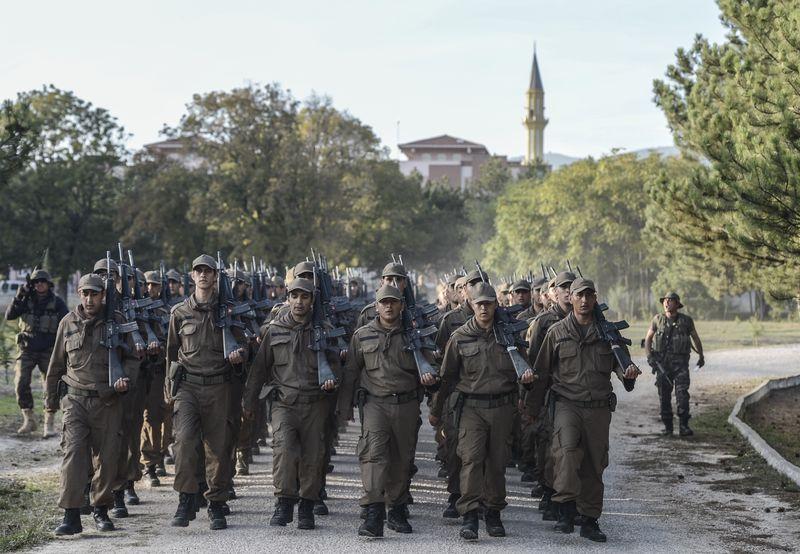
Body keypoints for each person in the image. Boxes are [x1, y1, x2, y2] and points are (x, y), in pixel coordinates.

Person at [528, 278, 640, 542]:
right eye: (579, 295)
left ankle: (589, 519)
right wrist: (532, 408)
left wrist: (629, 374)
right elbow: (542, 372)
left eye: (589, 295)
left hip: (598, 408)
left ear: (595, 298)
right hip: (567, 404)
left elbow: (623, 368)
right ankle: (565, 510)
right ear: (572, 298)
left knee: (594, 461)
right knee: (566, 453)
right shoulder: (556, 332)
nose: (584, 300)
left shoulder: (608, 333)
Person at [429, 282, 535, 541]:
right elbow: (447, 378)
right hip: (471, 409)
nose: (484, 308)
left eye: (488, 303)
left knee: (497, 463)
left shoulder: (509, 335)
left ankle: (493, 513)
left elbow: (525, 370)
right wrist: (437, 410)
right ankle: (469, 514)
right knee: (471, 460)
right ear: (471, 305)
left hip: (502, 408)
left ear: (496, 305)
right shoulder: (460, 337)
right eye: (479, 304)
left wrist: (526, 389)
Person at [243, 278, 345, 531]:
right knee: (284, 450)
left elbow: (337, 367)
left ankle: (307, 506)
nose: (299, 302)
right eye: (295, 296)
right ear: (287, 298)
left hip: (316, 403)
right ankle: (284, 502)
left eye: (305, 297)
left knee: (313, 455)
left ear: (312, 301)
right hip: (284, 403)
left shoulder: (325, 330)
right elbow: (259, 369)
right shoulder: (275, 330)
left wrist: (333, 383)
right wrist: (249, 402)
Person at [45, 273, 136, 535]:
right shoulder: (68, 322)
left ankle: (101, 509)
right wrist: (50, 401)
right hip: (75, 400)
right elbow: (56, 364)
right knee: (73, 455)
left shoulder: (117, 321)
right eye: (85, 293)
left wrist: (125, 379)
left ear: (103, 295)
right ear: (79, 293)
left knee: (106, 459)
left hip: (108, 401)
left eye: (94, 294)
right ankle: (71, 514)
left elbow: (132, 358)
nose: (89, 299)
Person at [345, 284, 437, 537]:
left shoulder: (415, 336)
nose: (388, 306)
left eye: (393, 301)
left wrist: (431, 380)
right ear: (376, 306)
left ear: (401, 305)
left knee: (402, 458)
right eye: (384, 302)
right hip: (375, 403)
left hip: (406, 404)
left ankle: (396, 509)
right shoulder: (362, 335)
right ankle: (374, 513)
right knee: (373, 455)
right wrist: (344, 408)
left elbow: (434, 368)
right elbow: (351, 372)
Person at [166, 254, 246, 530]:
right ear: (192, 276)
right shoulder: (179, 313)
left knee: (218, 448)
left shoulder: (230, 312)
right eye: (198, 270)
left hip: (218, 386)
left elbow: (244, 348)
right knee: (184, 442)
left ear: (215, 277)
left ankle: (216, 502)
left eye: (208, 271)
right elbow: (171, 353)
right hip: (187, 387)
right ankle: (186, 498)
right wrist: (169, 389)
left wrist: (238, 356)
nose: (203, 275)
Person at [521, 270, 574, 518]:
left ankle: (569, 497)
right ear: (554, 293)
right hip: (547, 392)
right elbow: (533, 362)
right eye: (563, 287)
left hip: (574, 396)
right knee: (547, 444)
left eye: (571, 287)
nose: (568, 291)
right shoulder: (543, 322)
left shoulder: (587, 319)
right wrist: (529, 399)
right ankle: (549, 490)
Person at [5, 269, 68, 437]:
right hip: (27, 348)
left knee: (51, 385)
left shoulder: (57, 302)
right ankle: (29, 419)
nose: (39, 284)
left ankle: (49, 423)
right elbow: (9, 316)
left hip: (49, 349)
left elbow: (67, 322)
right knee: (21, 382)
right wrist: (19, 296)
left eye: (42, 281)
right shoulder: (25, 300)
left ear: (48, 284)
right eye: (36, 282)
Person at [644, 292, 704, 436]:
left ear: (677, 304)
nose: (666, 303)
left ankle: (684, 426)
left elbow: (695, 338)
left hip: (681, 366)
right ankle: (668, 427)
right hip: (662, 366)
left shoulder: (686, 321)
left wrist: (701, 355)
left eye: (670, 300)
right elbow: (648, 339)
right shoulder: (657, 319)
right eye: (665, 300)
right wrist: (649, 356)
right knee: (664, 396)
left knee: (682, 395)